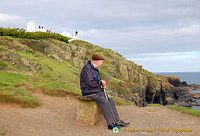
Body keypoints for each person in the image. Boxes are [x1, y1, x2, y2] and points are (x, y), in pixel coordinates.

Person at [80, 54, 130, 130]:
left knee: (110, 101)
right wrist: (100, 83)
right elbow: (90, 82)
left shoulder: (95, 68)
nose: (102, 63)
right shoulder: (87, 68)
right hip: (88, 92)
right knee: (104, 101)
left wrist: (101, 82)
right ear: (95, 61)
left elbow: (96, 81)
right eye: (101, 62)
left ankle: (117, 121)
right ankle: (110, 124)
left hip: (96, 90)